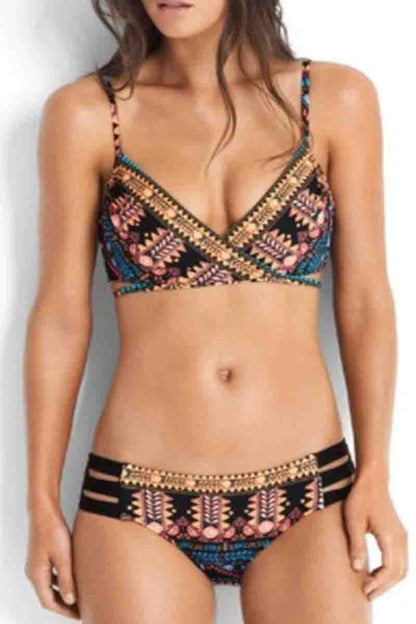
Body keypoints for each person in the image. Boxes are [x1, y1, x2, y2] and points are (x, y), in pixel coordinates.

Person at [24, 1, 408, 622]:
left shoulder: (336, 100)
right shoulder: (88, 115)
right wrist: (40, 501)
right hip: (135, 504)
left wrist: (377, 475)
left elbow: (365, 301)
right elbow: (61, 319)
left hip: (311, 494)